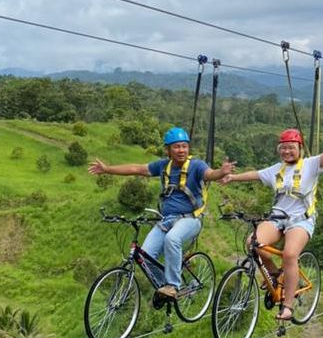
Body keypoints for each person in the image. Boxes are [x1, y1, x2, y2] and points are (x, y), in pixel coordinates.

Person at [220, 128, 323, 320]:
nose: (287, 151)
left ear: (300, 148)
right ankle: (274, 273)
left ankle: (287, 306)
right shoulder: (276, 170)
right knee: (252, 243)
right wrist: (232, 178)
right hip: (277, 218)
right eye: (283, 148)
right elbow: (254, 174)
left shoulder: (310, 165)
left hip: (301, 220)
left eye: (291, 147)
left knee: (289, 254)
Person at [88, 127, 235, 298]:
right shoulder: (163, 166)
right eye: (176, 147)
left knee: (172, 239)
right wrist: (107, 169)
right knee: (145, 257)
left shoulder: (196, 165)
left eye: (184, 146)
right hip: (166, 220)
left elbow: (210, 174)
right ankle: (163, 288)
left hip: (190, 219)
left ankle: (173, 285)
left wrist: (221, 172)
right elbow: (136, 169)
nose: (181, 150)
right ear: (168, 150)